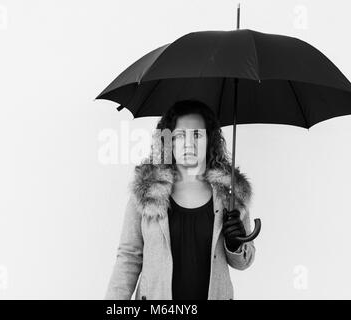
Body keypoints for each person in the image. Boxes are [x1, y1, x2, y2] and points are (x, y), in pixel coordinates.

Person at [105, 99, 255, 300]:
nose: (189, 143)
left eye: (197, 135)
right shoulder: (147, 191)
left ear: (210, 140)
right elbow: (129, 257)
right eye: (180, 135)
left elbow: (243, 262)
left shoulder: (230, 193)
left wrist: (235, 244)